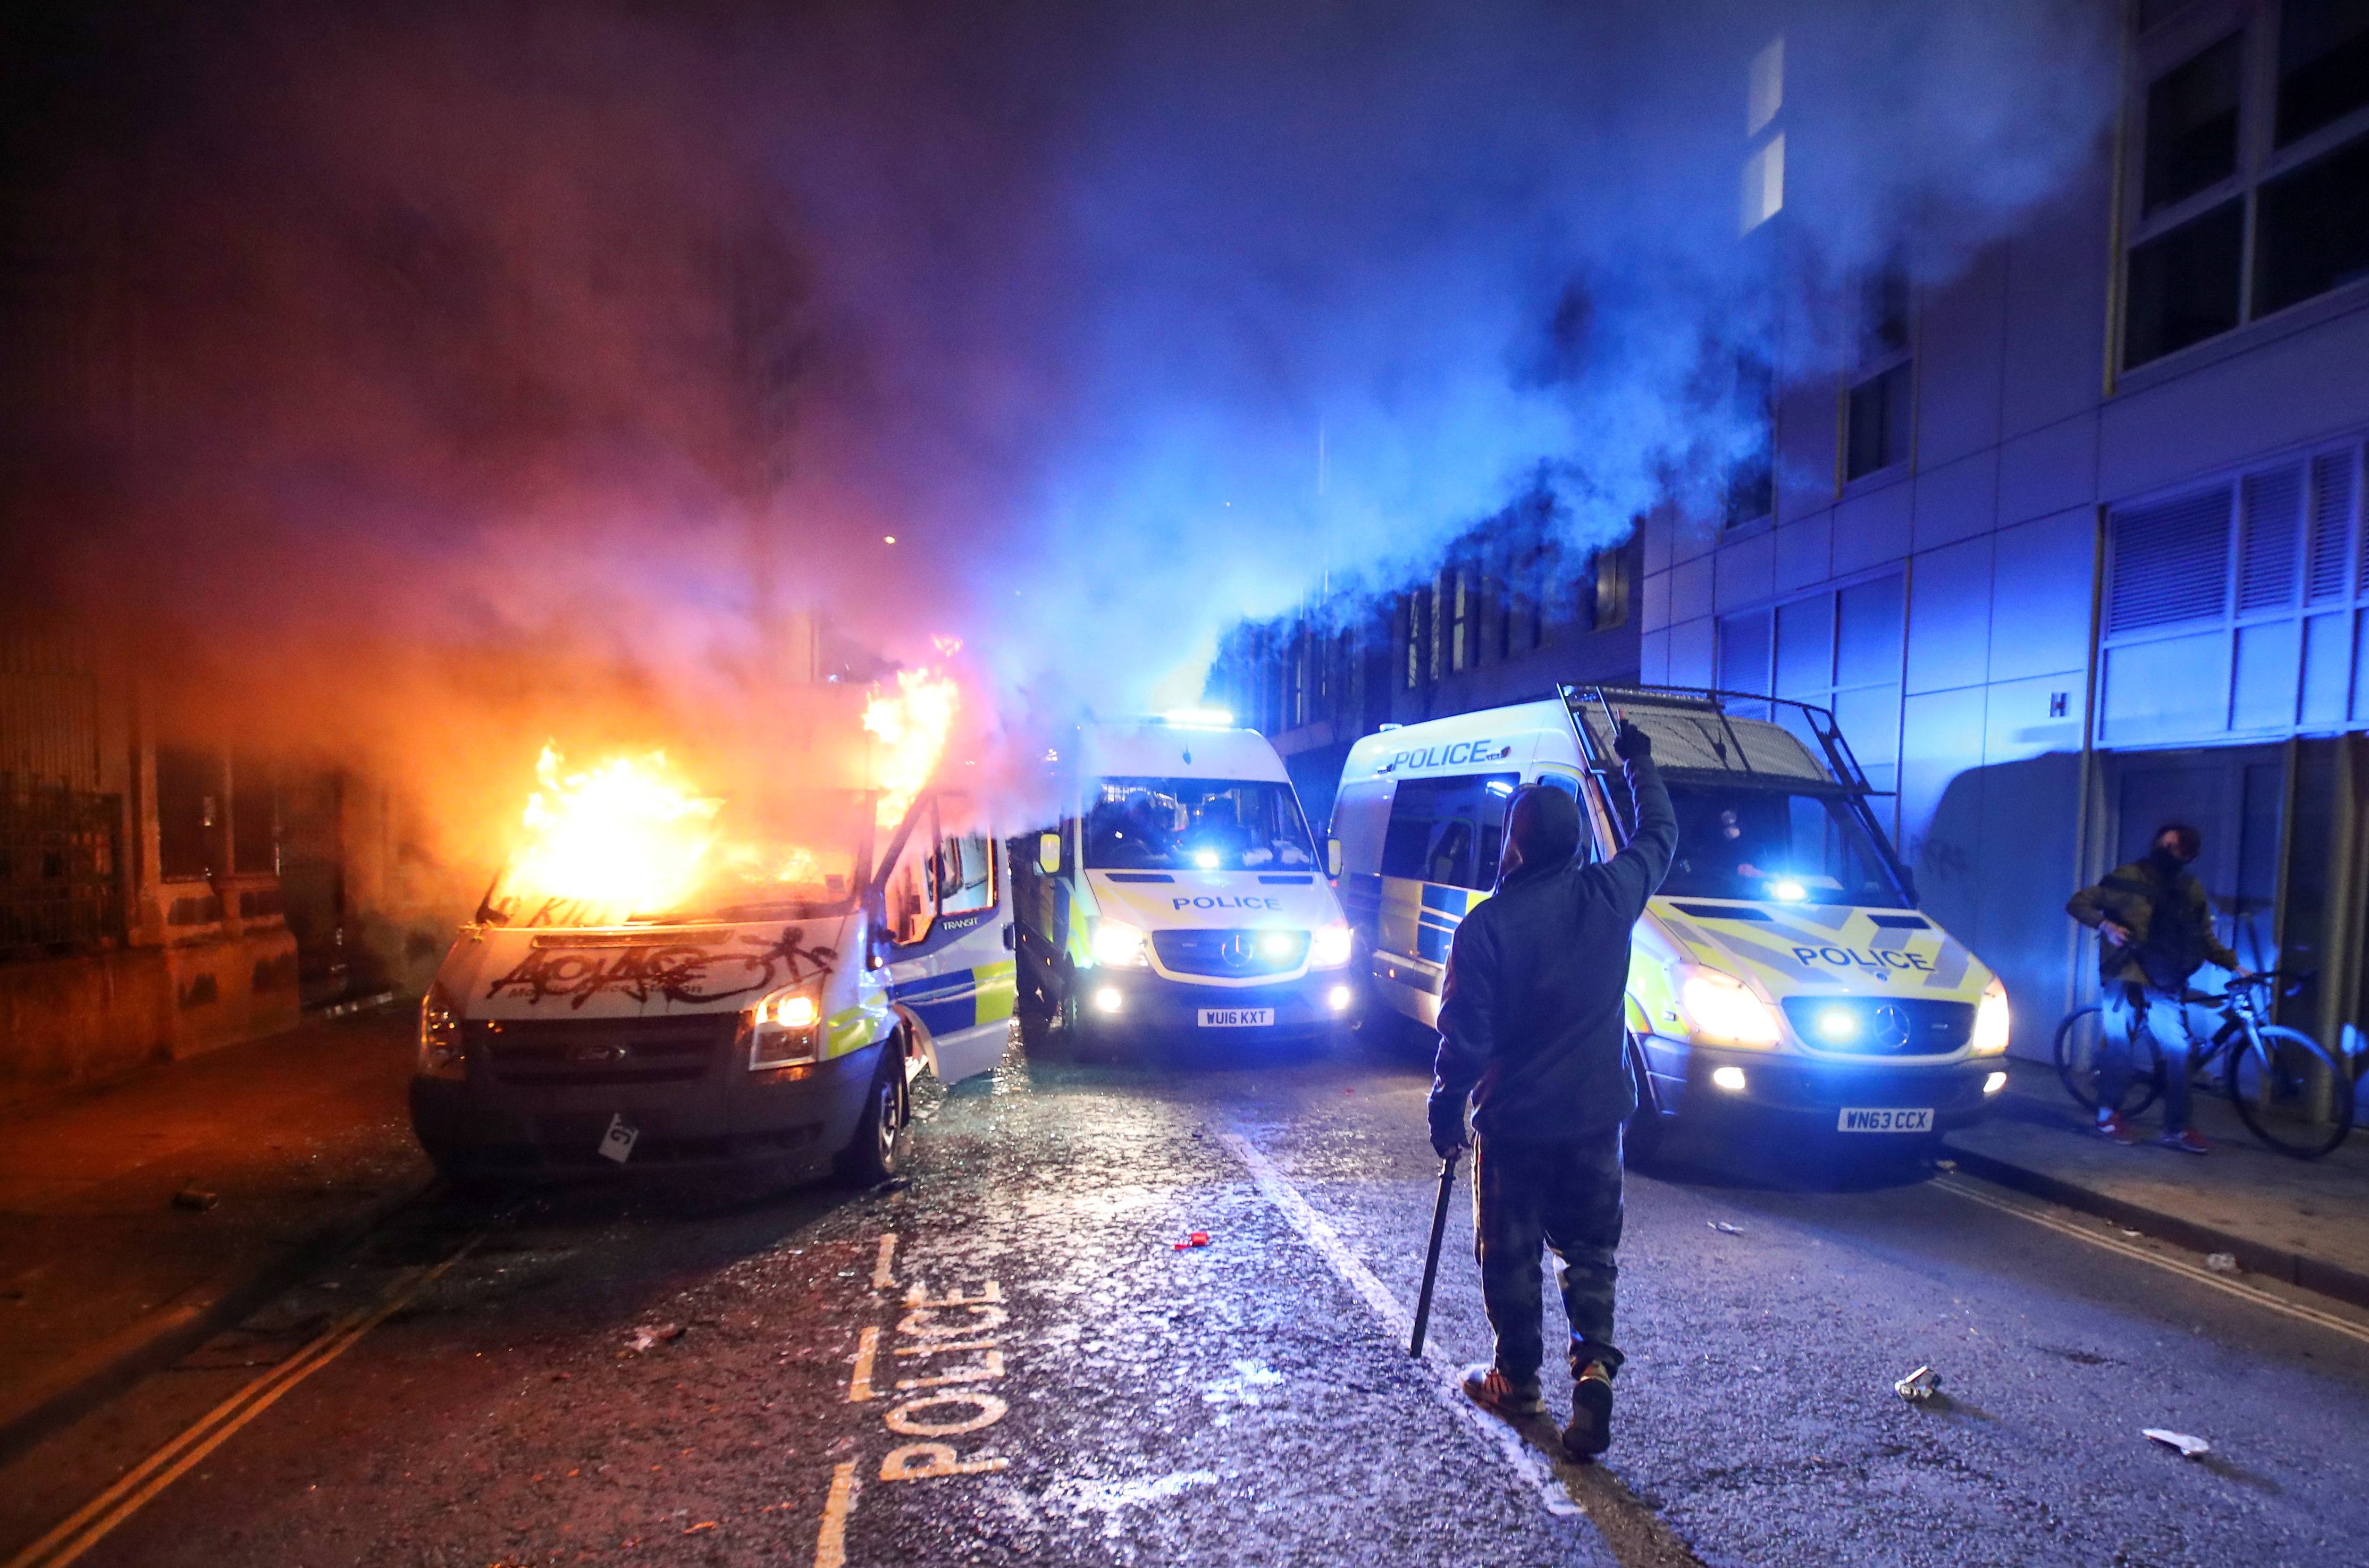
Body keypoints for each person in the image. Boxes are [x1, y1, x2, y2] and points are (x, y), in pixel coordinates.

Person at [1427, 718, 1675, 1461]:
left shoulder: (1487, 926)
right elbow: (1658, 834)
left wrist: (1447, 1110)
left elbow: (1463, 1038)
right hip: (1599, 1119)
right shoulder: (1611, 893)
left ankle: (1517, 1380)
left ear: (1518, 842)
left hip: (1517, 1125)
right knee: (1590, 1251)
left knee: (1510, 1256)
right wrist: (1639, 761)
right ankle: (1594, 1371)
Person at [2065, 823, 2244, 1155]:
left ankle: (2176, 1128)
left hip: (2166, 978)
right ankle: (2107, 1117)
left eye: (2174, 847)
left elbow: (2202, 935)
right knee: (2120, 1047)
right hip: (2127, 974)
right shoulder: (2128, 877)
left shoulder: (2189, 888)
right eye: (2163, 843)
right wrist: (2107, 926)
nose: (2165, 849)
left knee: (2180, 1050)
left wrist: (2233, 964)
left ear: (2188, 856)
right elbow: (2079, 902)